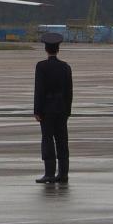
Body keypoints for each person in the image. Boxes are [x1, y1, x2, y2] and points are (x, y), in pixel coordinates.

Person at [34, 32, 73, 184]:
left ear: (46, 49)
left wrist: (37, 110)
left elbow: (40, 90)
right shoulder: (65, 67)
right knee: (62, 141)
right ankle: (63, 174)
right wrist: (68, 110)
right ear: (58, 49)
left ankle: (49, 173)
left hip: (47, 109)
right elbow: (69, 91)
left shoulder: (41, 66)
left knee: (48, 140)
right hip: (62, 109)